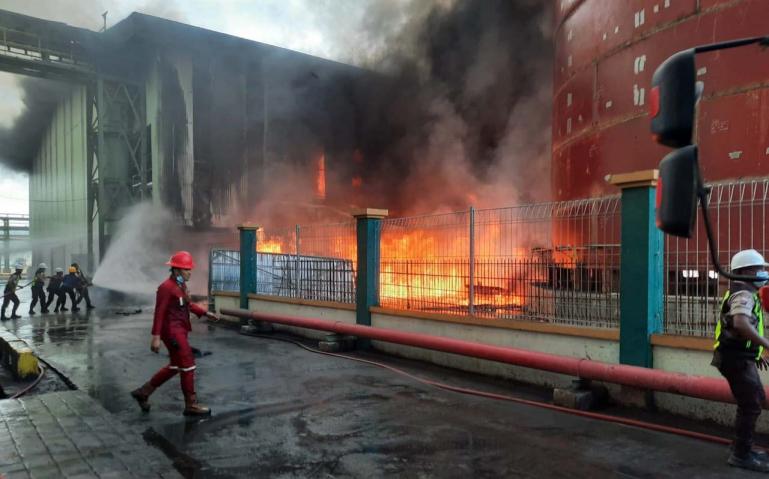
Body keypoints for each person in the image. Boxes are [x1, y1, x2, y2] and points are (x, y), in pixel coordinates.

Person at [130, 251, 219, 416]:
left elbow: (188, 305)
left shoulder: (180, 286)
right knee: (188, 365)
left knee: (175, 366)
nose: (190, 272)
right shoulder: (166, 288)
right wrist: (156, 337)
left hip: (180, 330)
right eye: (186, 269)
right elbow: (159, 312)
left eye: (189, 269)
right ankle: (191, 405)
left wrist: (206, 313)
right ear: (176, 270)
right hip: (172, 333)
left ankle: (143, 393)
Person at [712, 249, 769, 472]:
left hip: (736, 357)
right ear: (745, 272)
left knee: (752, 400)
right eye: (759, 269)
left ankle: (741, 447)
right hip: (734, 358)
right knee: (752, 403)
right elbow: (741, 324)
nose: (763, 273)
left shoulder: (741, 291)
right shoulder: (743, 294)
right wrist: (766, 344)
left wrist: (756, 353)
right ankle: (741, 454)